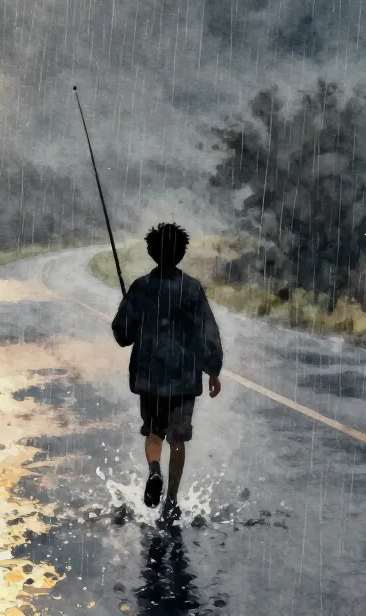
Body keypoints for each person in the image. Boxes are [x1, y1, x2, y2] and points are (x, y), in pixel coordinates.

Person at [112, 222, 224, 521]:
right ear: (181, 253)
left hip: (150, 376)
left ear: (151, 252)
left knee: (153, 432)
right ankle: (171, 499)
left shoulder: (141, 287)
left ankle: (154, 471)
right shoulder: (192, 288)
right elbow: (207, 333)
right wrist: (213, 370)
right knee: (177, 439)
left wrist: (129, 315)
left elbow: (123, 335)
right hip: (184, 377)